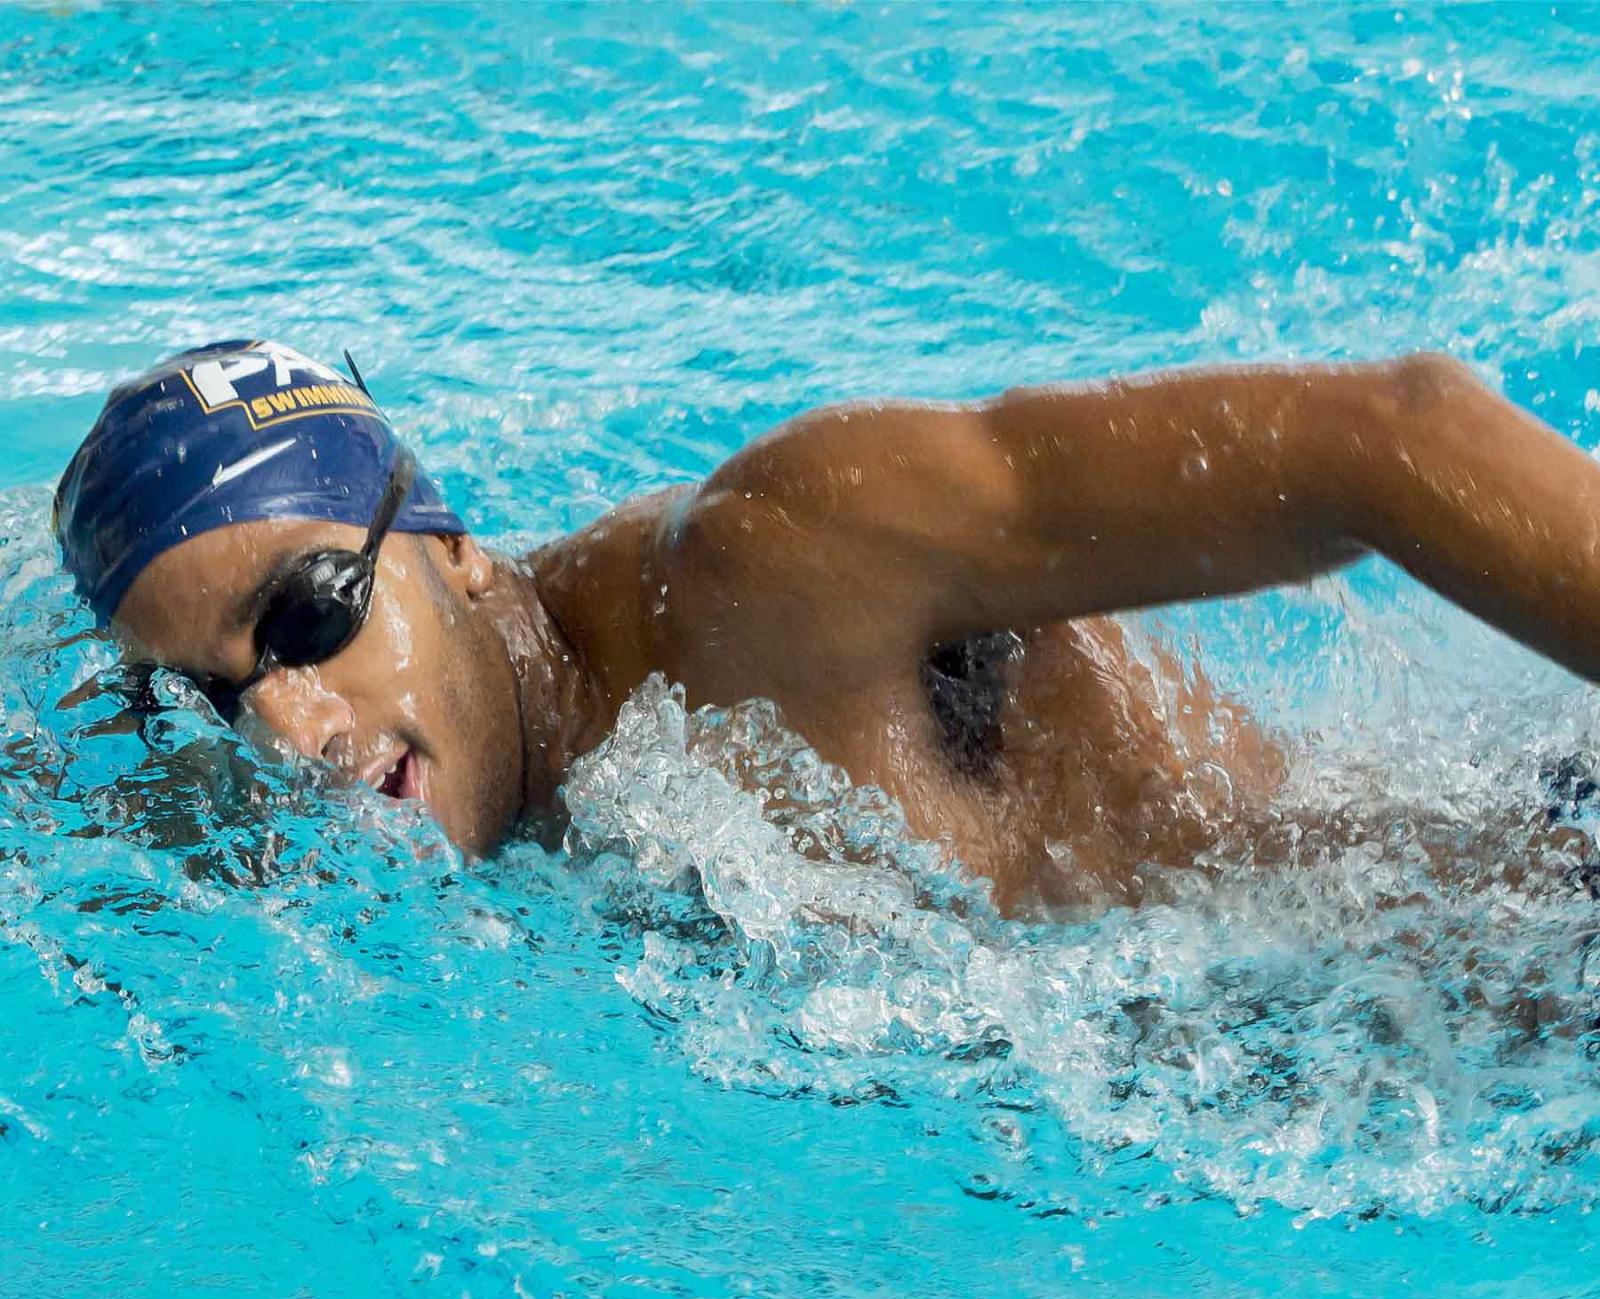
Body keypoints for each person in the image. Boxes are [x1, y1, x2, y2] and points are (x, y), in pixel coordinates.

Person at [52, 339, 1600, 911]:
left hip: (1535, 950)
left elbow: (1396, 438)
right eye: (205, 695)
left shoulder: (767, 570)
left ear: (450, 548)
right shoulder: (392, 782)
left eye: (312, 616)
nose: (288, 733)